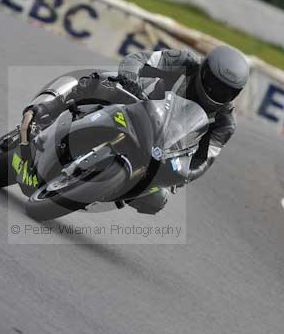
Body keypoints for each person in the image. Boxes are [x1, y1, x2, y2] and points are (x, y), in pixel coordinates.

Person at [21, 45, 250, 214]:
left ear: (235, 94)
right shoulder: (185, 61)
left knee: (157, 199)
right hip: (137, 99)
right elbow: (139, 58)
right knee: (100, 81)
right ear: (204, 70)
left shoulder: (225, 122)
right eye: (213, 82)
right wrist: (130, 77)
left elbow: (203, 161)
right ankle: (45, 109)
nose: (216, 92)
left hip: (163, 147)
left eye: (225, 91)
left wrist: (180, 175)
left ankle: (100, 186)